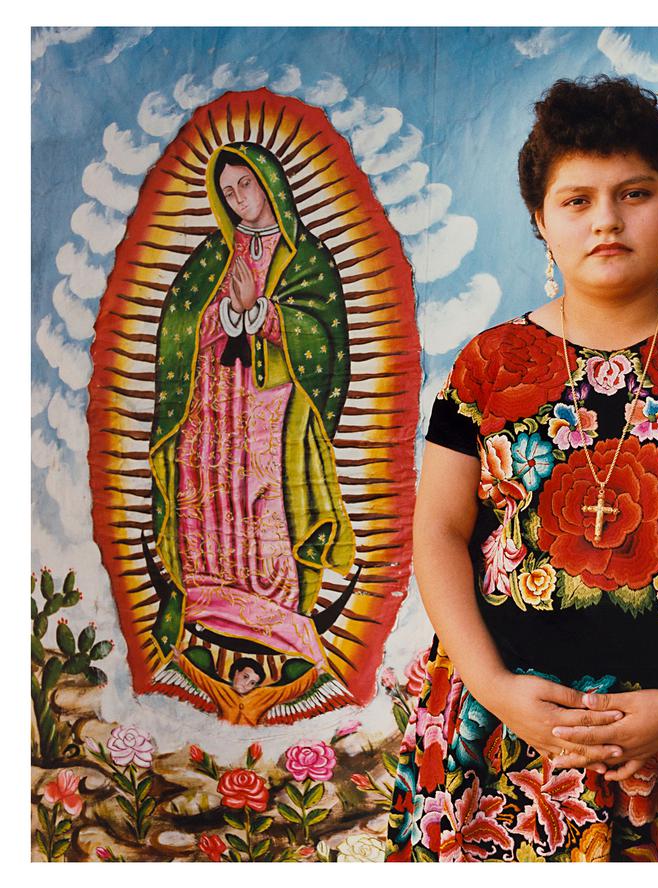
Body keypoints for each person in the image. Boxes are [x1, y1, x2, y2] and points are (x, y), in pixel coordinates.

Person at [385, 76, 658, 862]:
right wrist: (499, 692)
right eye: (576, 200)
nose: (606, 219)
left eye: (634, 193)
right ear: (541, 221)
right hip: (502, 737)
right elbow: (438, 533)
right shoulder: (483, 368)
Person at [148, 141, 356, 676]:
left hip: (272, 405)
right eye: (227, 192)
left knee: (263, 497)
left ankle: (271, 605)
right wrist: (225, 311)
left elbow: (323, 336)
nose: (239, 199)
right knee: (210, 494)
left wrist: (261, 313)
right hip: (213, 401)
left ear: (270, 183)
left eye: (245, 184)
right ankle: (207, 590)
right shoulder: (213, 256)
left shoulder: (306, 257)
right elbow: (179, 327)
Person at [170, 645, 318, 726]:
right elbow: (202, 678)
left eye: (252, 683)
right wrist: (182, 661)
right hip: (222, 737)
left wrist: (314, 673)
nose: (247, 684)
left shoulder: (263, 695)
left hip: (253, 740)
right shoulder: (222, 690)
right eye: (245, 677)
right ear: (235, 673)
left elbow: (289, 690)